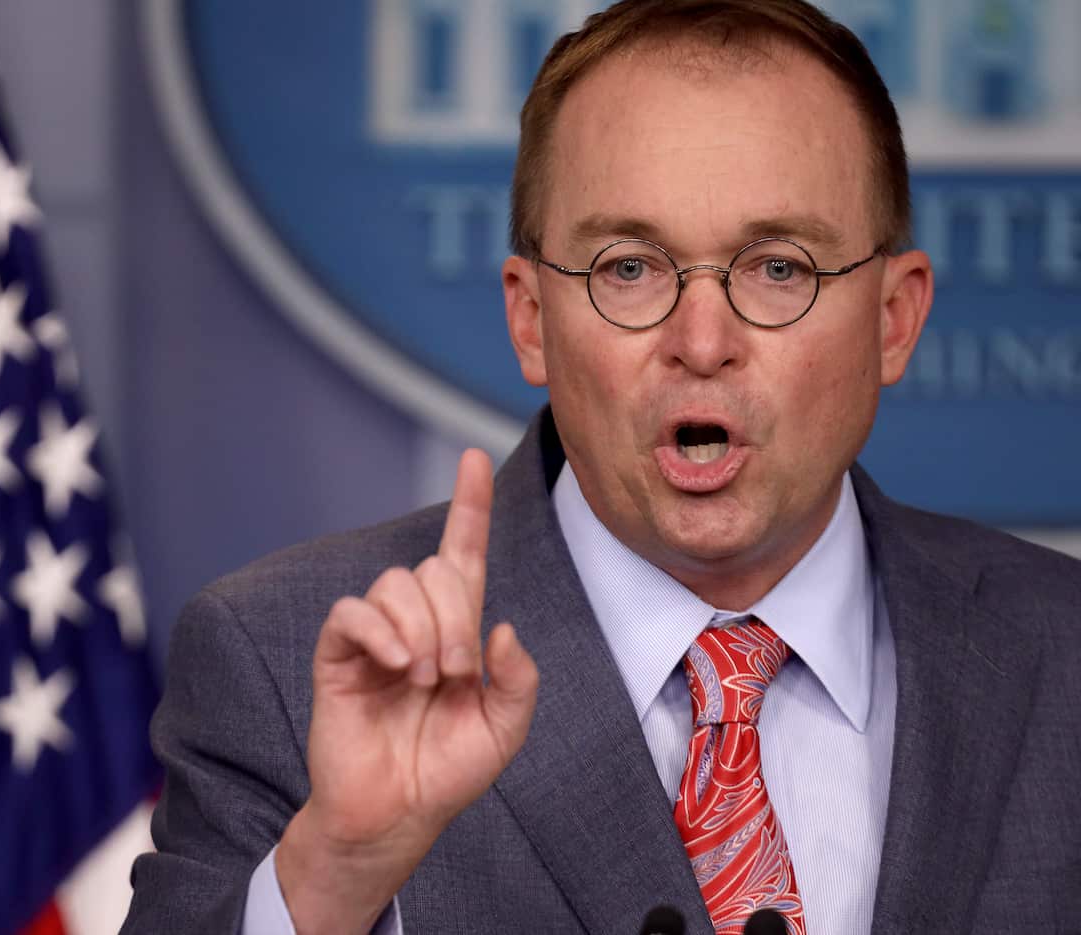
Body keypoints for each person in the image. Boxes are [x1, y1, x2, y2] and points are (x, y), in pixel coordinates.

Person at [120, 1, 1081, 933]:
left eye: (779, 266)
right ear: (531, 320)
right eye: (630, 267)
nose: (702, 342)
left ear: (892, 320)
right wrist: (333, 874)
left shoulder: (1062, 655)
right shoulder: (289, 658)